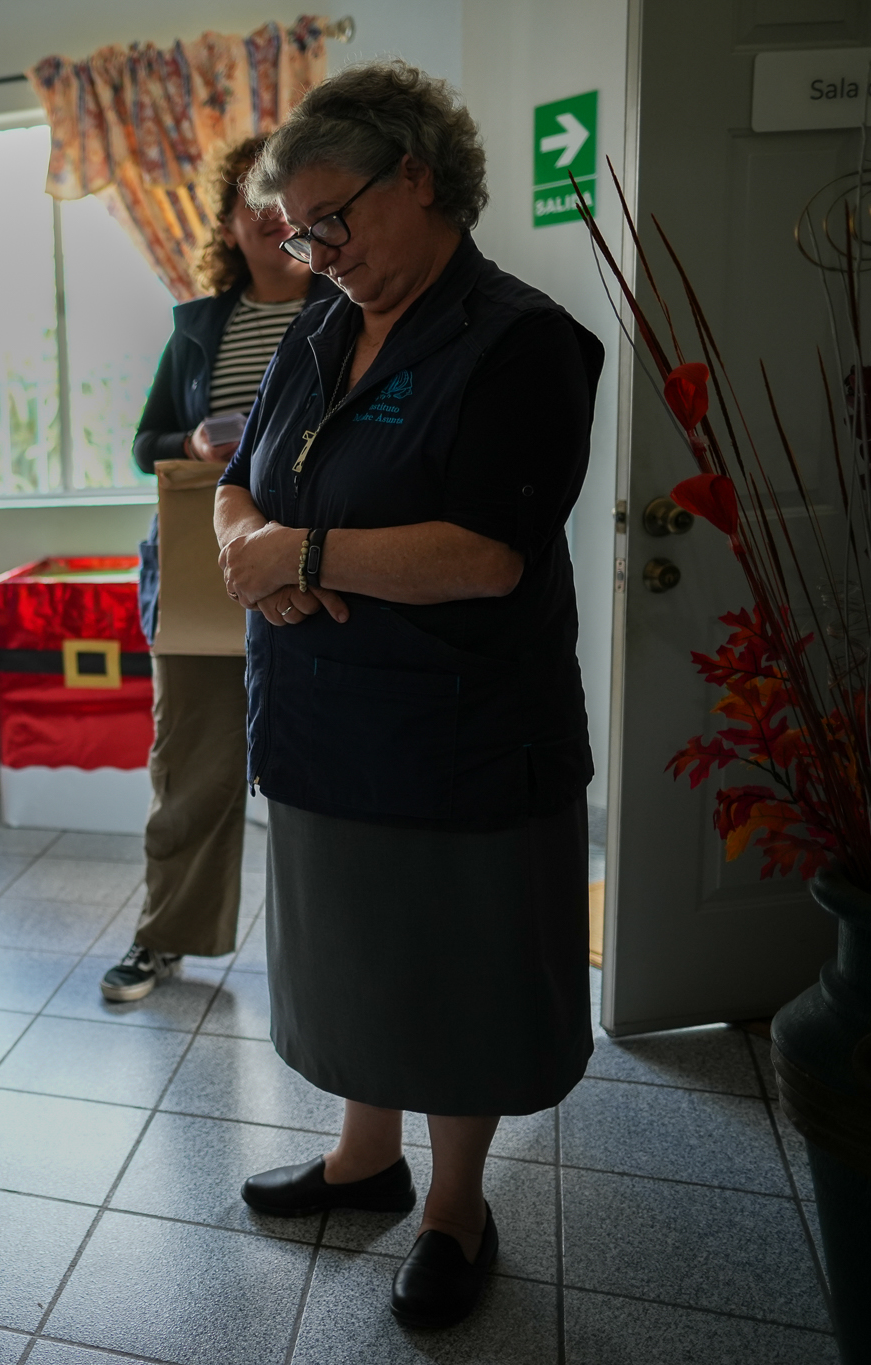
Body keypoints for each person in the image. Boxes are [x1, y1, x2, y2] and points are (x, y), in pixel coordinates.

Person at [215, 61, 600, 1328]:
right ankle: (361, 1160)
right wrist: (240, 545)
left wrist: (301, 556)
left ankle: (453, 1205)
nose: (321, 254)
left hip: (459, 734)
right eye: (299, 234)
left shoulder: (522, 343)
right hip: (325, 722)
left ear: (418, 177)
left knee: (453, 971)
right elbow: (244, 475)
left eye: (337, 221)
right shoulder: (320, 326)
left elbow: (482, 551)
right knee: (350, 956)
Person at [103, 133, 321, 1003]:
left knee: (323, 776)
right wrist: (189, 440)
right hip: (199, 574)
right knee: (189, 766)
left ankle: (327, 960)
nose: (268, 215)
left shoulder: (355, 308)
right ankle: (167, 935)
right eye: (249, 200)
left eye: (283, 196)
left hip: (315, 567)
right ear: (228, 225)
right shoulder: (197, 327)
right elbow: (144, 445)